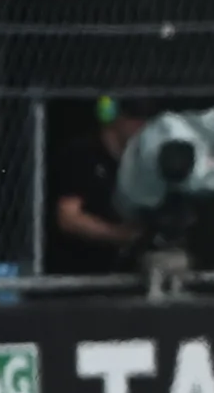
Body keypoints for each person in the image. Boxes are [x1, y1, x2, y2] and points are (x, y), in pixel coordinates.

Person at [47, 99, 151, 275]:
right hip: (77, 268)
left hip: (122, 269)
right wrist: (121, 235)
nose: (141, 126)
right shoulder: (82, 154)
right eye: (134, 119)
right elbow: (68, 218)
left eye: (145, 120)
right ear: (117, 119)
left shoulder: (140, 160)